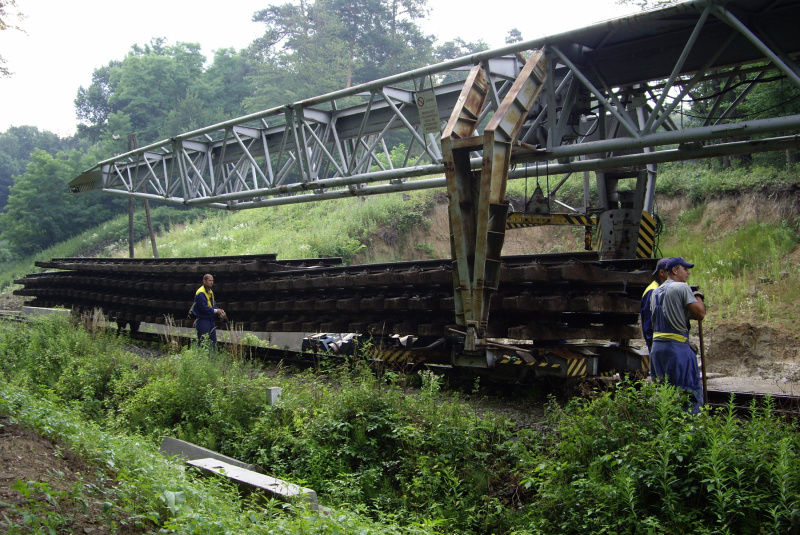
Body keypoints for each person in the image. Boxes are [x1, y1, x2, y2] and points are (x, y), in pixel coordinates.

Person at [649, 257, 706, 413]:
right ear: (674, 270)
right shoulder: (681, 287)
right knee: (689, 394)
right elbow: (700, 313)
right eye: (685, 269)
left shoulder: (655, 292)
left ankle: (667, 432)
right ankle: (691, 431)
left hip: (657, 350)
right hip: (677, 349)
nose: (688, 272)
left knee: (664, 395)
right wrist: (698, 295)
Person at [641, 257, 671, 353]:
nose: (675, 274)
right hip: (658, 345)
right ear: (662, 273)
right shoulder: (653, 291)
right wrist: (652, 345)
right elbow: (648, 322)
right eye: (671, 272)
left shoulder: (664, 289)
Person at [194, 273, 225, 349]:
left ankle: (212, 359)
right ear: (204, 281)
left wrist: (218, 310)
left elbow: (212, 305)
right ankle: (202, 359)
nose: (211, 282)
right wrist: (215, 311)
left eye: (212, 280)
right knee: (203, 342)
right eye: (209, 280)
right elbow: (203, 308)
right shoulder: (201, 292)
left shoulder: (210, 292)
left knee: (213, 342)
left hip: (210, 320)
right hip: (203, 320)